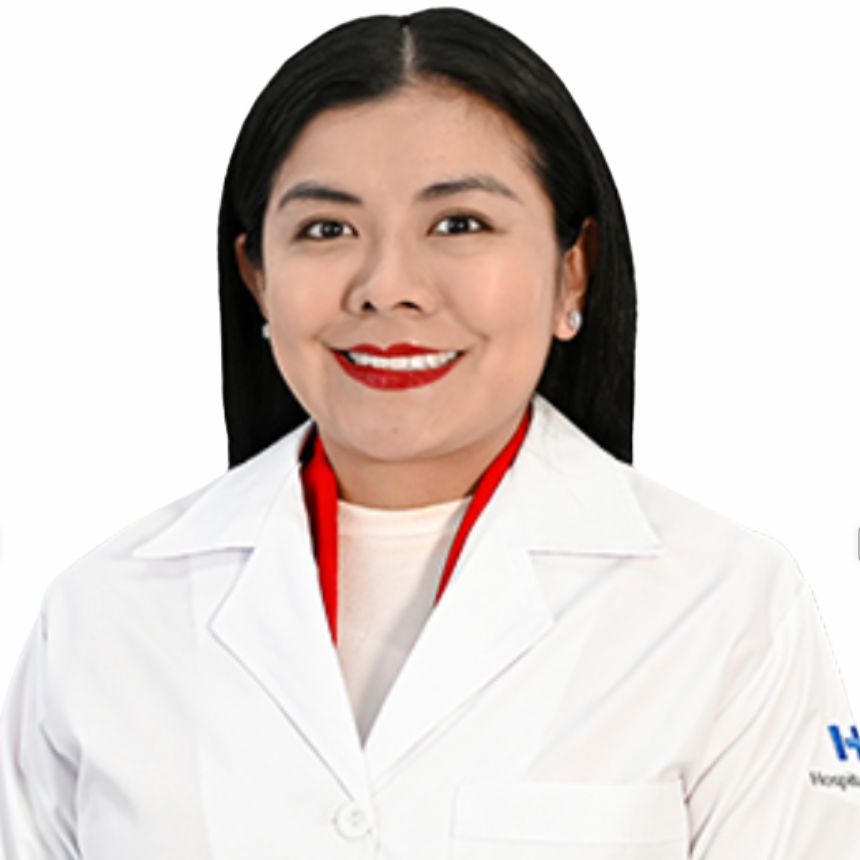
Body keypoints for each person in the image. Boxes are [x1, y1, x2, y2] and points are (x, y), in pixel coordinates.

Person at [1, 7, 858, 858]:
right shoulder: (103, 616)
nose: (387, 286)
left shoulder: (726, 607)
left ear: (573, 271)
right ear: (257, 278)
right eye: (327, 229)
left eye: (459, 224)